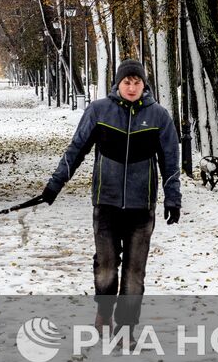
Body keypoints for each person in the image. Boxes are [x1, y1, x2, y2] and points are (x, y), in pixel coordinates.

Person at [38, 58, 181, 339]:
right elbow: (75, 150)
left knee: (134, 272)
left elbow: (170, 161)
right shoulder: (99, 111)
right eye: (126, 81)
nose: (131, 87)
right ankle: (104, 313)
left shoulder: (159, 117)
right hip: (106, 203)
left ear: (144, 84)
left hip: (142, 207)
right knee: (106, 268)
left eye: (136, 81)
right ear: (117, 84)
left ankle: (127, 327)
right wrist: (54, 186)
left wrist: (172, 199)